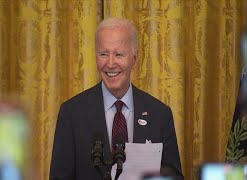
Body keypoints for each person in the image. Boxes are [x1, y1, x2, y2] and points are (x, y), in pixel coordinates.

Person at [49, 17, 184, 180]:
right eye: (104, 54)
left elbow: (174, 177)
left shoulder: (159, 115)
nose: (110, 63)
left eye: (119, 54)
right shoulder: (72, 113)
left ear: (134, 59)